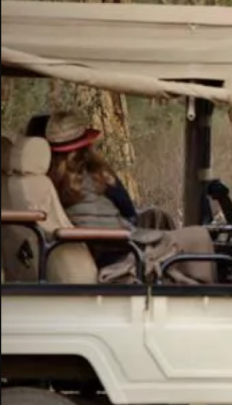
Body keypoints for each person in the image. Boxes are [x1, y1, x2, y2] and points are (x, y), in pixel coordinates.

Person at [43, 111, 216, 284]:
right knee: (199, 236)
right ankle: (207, 291)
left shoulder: (48, 182)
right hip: (122, 250)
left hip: (95, 250)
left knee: (156, 216)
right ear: (86, 145)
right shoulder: (99, 174)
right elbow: (129, 211)